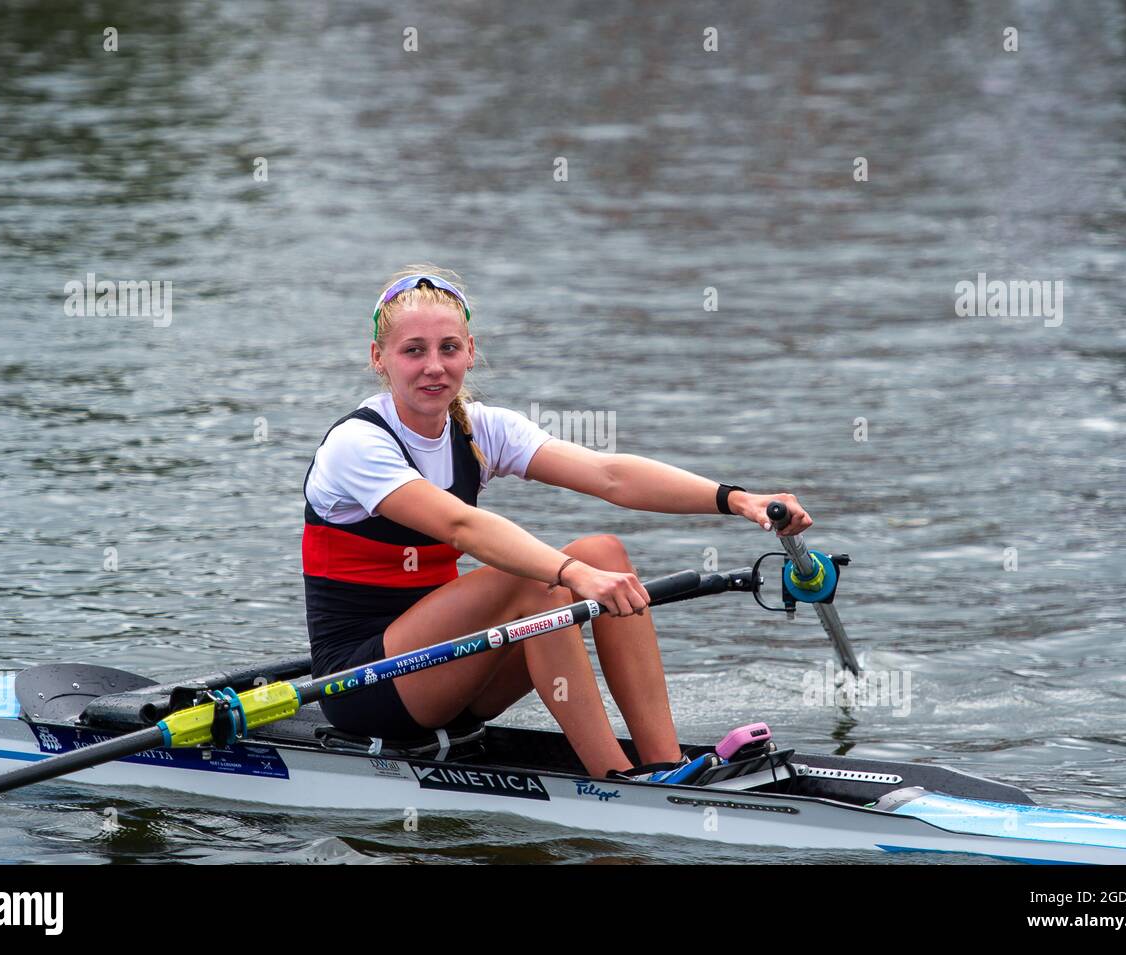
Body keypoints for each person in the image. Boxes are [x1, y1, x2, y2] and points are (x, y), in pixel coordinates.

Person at [302, 266, 812, 780]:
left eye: (449, 348)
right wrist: (571, 574)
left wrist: (738, 500)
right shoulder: (357, 444)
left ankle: (662, 763)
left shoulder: (481, 428)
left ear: (471, 351)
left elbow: (609, 475)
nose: (434, 366)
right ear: (379, 359)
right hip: (363, 686)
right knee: (538, 583)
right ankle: (616, 780)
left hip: (453, 673)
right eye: (414, 350)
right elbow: (463, 526)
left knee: (604, 550)